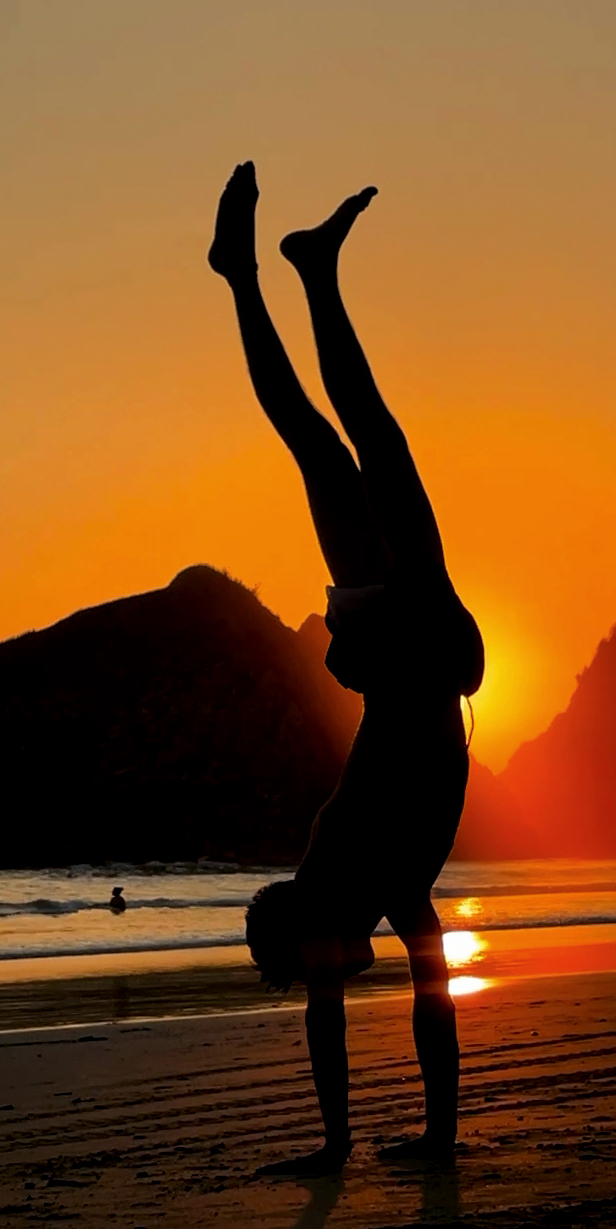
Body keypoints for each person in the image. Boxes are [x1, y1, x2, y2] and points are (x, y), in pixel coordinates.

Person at [209, 162, 483, 1175]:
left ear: (308, 934)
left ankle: (255, 275)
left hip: (400, 628)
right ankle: (298, 273)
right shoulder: (363, 883)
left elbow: (402, 982)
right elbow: (426, 973)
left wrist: (341, 1144)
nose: (330, 980)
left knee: (329, 440)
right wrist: (435, 1137)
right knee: (352, 435)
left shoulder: (342, 878)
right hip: (413, 629)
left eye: (313, 969)